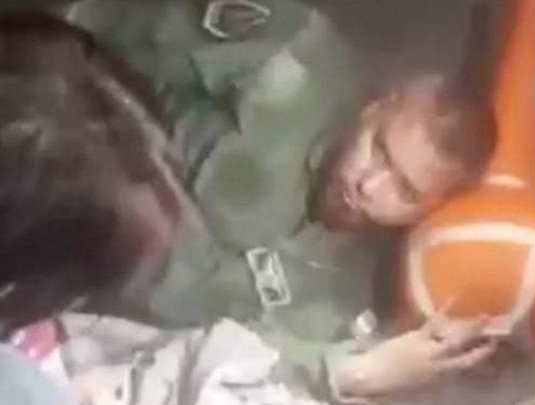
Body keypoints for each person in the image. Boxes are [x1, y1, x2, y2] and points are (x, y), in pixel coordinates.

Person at [0, 6, 499, 404]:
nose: (370, 184)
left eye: (405, 190)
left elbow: (245, 375)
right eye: (379, 149)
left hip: (71, 336)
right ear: (375, 108)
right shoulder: (294, 57)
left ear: (429, 211)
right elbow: (114, 35)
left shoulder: (342, 309)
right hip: (42, 199)